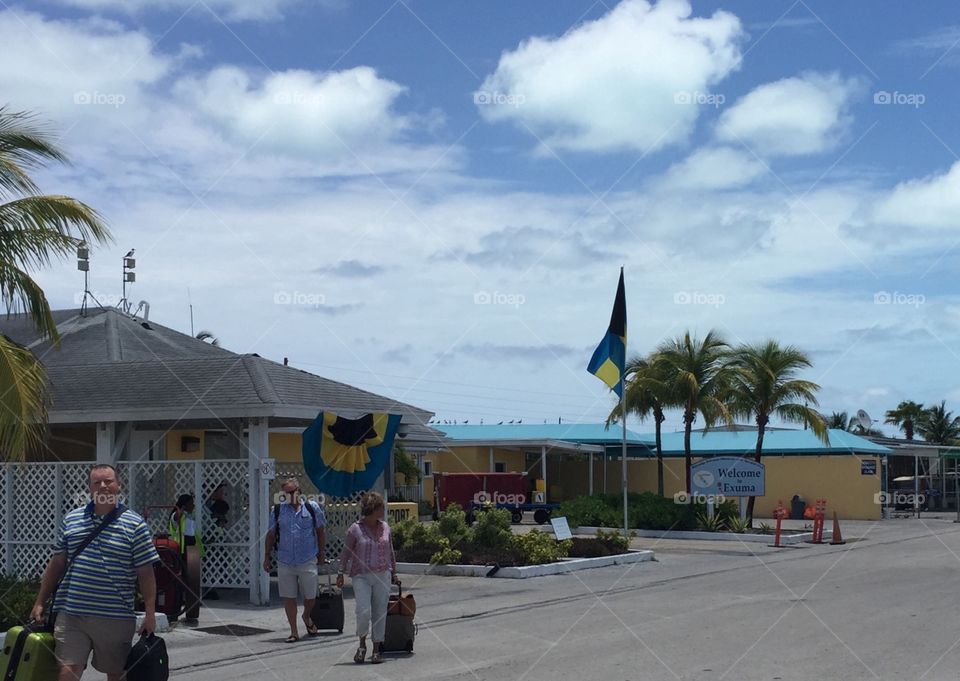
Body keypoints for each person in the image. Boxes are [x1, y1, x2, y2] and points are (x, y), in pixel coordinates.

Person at [31, 464, 159, 681]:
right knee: (67, 672)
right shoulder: (72, 520)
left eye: (108, 481)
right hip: (72, 615)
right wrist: (40, 601)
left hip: (115, 618)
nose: (103, 486)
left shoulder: (136, 525)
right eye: (96, 482)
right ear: (89, 488)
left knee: (117, 675)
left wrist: (150, 613)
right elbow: (56, 564)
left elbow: (146, 573)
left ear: (119, 485)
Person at [337, 491, 398, 664]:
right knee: (364, 611)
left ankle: (377, 649)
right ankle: (362, 644)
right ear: (374, 509)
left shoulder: (385, 527)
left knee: (380, 612)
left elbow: (390, 550)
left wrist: (394, 571)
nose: (383, 510)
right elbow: (346, 553)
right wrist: (340, 572)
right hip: (361, 575)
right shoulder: (355, 529)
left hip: (383, 574)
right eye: (381, 507)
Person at [263, 477, 327, 642]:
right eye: (285, 493)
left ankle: (306, 616)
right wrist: (266, 556)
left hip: (307, 558)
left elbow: (320, 531)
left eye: (291, 492)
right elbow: (270, 535)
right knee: (288, 596)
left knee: (311, 595)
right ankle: (293, 631)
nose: (289, 495)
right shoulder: (277, 510)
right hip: (285, 559)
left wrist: (321, 553)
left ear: (298, 491)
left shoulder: (312, 508)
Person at [168, 493, 204, 624]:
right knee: (179, 580)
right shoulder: (178, 515)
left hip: (190, 549)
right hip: (180, 549)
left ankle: (190, 603)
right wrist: (180, 510)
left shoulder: (190, 517)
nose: (194, 505)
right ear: (185, 504)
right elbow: (176, 519)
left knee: (190, 580)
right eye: (191, 503)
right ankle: (175, 607)